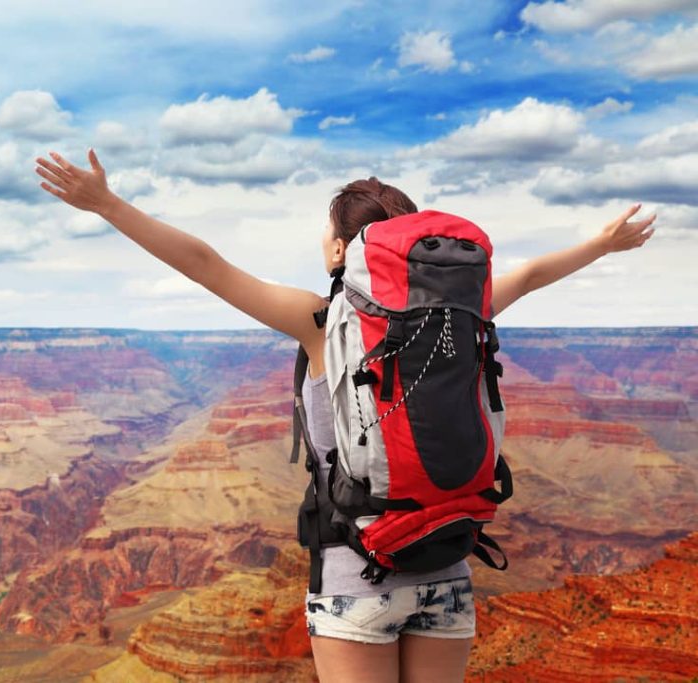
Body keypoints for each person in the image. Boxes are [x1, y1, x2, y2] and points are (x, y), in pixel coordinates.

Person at [34, 149, 656, 683]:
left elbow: (207, 266)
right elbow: (534, 273)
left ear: (340, 249)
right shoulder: (466, 313)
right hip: (448, 565)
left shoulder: (321, 324)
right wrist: (603, 244)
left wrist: (110, 206)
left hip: (355, 573)